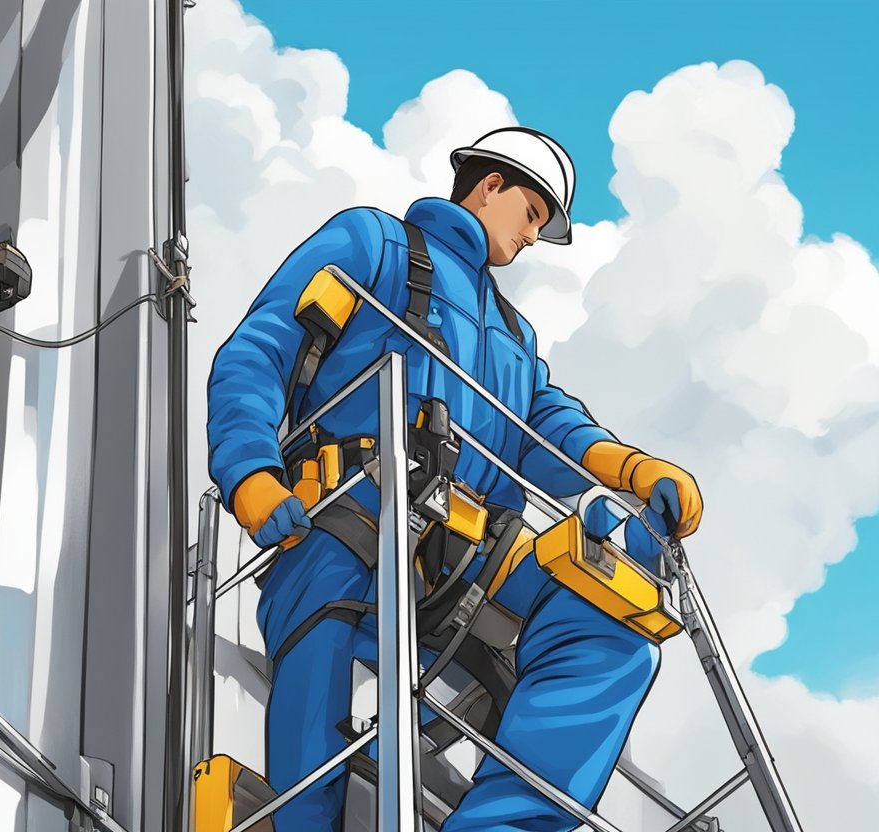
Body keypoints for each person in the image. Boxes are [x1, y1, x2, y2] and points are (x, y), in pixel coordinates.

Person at [206, 127, 703, 831]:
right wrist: (250, 472)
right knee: (316, 674)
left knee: (612, 634)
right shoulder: (371, 245)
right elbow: (260, 350)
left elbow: (547, 430)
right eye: (532, 214)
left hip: (467, 562)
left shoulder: (513, 335)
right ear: (491, 184)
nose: (532, 238)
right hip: (350, 520)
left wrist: (628, 468)